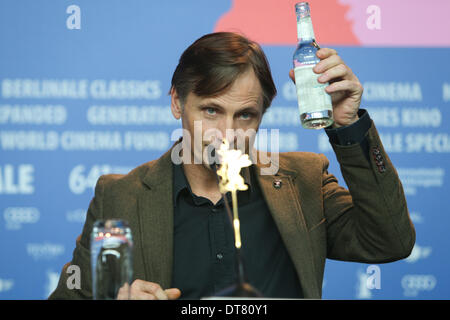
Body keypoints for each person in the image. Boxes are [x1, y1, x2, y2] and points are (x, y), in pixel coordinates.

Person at [49, 32, 415, 300]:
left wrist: (347, 126)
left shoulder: (304, 182)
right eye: (211, 110)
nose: (227, 133)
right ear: (177, 102)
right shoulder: (119, 197)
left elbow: (389, 242)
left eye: (245, 115)